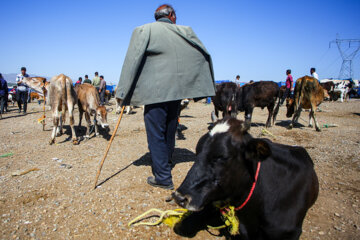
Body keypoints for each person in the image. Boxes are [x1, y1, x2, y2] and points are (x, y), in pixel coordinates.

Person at [115, 4, 215, 190]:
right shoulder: (185, 32)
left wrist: (122, 92)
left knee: (156, 134)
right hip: (176, 93)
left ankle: (163, 177)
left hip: (155, 93)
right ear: (171, 15)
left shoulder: (144, 30)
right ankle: (166, 162)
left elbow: (132, 60)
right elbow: (202, 54)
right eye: (175, 15)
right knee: (170, 129)